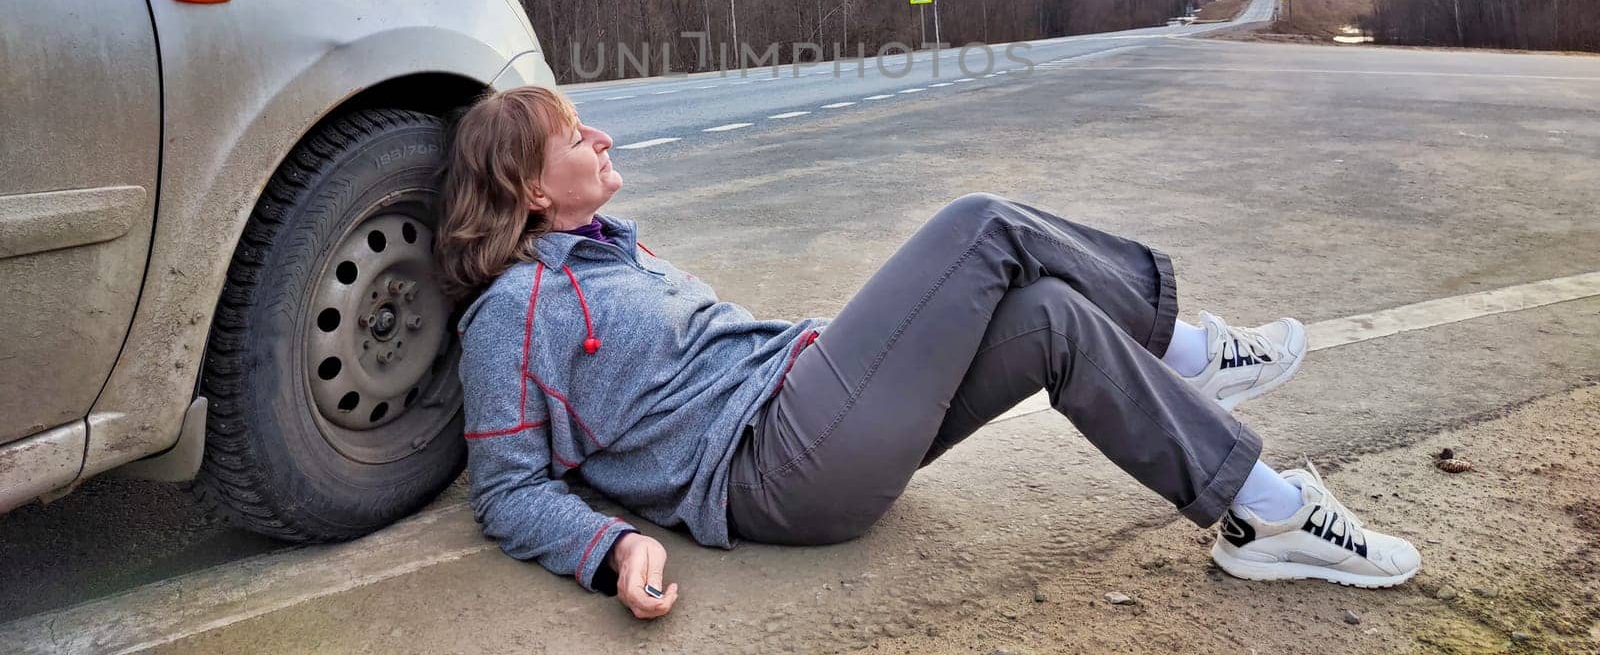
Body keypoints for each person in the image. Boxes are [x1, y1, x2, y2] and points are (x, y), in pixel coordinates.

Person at [434, 86, 1420, 621]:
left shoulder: (619, 253)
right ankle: (1187, 350)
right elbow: (510, 489)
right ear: (526, 186)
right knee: (981, 224)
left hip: (811, 412)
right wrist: (610, 552)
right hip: (774, 468)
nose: (598, 134)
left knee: (1048, 317)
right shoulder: (512, 314)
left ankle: (1268, 515)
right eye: (572, 132)